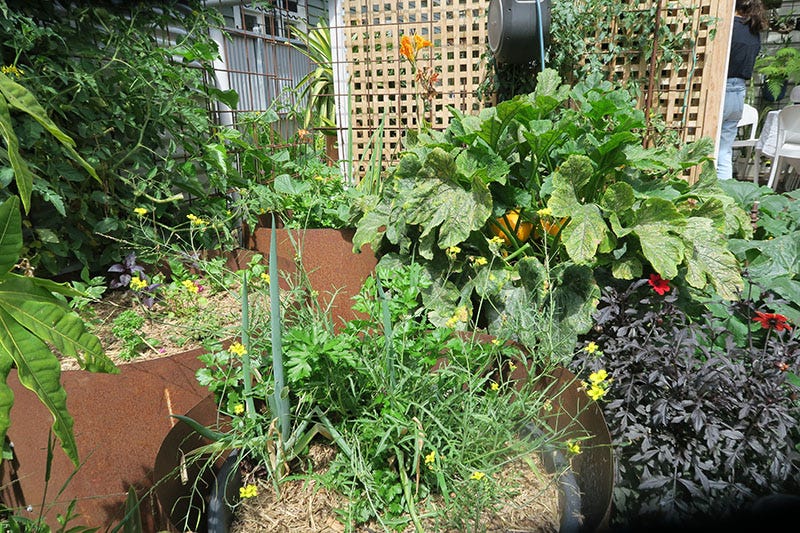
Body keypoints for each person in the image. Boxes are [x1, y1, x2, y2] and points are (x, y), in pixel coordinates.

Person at [717, 0, 767, 180]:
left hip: (721, 89)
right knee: (724, 150)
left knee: (707, 148)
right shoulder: (753, 31)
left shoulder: (729, 27)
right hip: (739, 92)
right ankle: (722, 199)